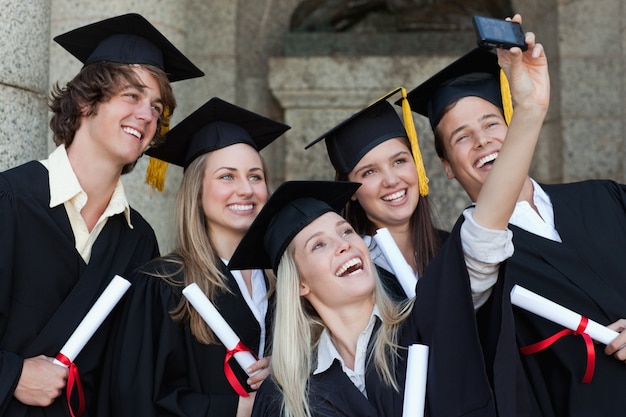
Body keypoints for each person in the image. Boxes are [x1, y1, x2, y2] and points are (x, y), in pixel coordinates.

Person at [228, 30, 549, 414]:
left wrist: (528, 111)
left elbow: (484, 235)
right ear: (301, 285)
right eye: (368, 172)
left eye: (400, 161)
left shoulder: (424, 320)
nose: (344, 244)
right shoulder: (291, 394)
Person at [405, 14, 626, 416]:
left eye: (492, 123)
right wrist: (530, 108)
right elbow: (483, 244)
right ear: (446, 166)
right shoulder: (464, 263)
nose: (483, 140)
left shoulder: (605, 198)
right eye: (461, 137)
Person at [0, 13, 203, 417]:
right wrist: (12, 374)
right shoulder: (10, 200)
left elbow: (141, 367)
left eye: (156, 107)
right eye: (131, 96)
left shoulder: (137, 238)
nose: (147, 115)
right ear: (83, 100)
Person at [100, 97, 290, 417]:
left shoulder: (286, 281)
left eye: (255, 176)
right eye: (227, 176)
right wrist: (235, 408)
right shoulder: (162, 285)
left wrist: (288, 372)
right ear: (197, 192)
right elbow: (134, 398)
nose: (246, 189)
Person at [306, 87, 446, 301]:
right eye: (370, 171)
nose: (391, 180)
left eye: (399, 161)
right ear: (351, 189)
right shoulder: (351, 268)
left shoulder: (452, 248)